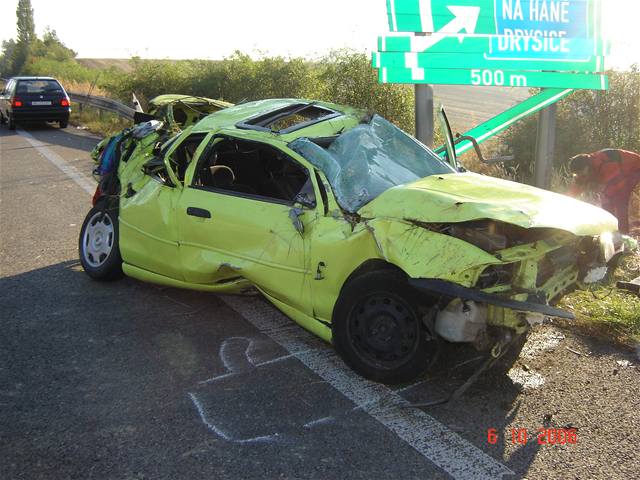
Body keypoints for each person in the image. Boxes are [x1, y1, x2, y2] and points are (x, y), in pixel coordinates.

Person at [568, 149, 640, 233]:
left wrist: (605, 201)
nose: (581, 176)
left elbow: (616, 186)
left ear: (588, 166)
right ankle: (611, 230)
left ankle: (623, 233)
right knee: (607, 203)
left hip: (635, 168)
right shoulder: (582, 171)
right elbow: (573, 191)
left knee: (620, 200)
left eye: (583, 173)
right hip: (618, 175)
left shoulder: (606, 164)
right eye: (578, 174)